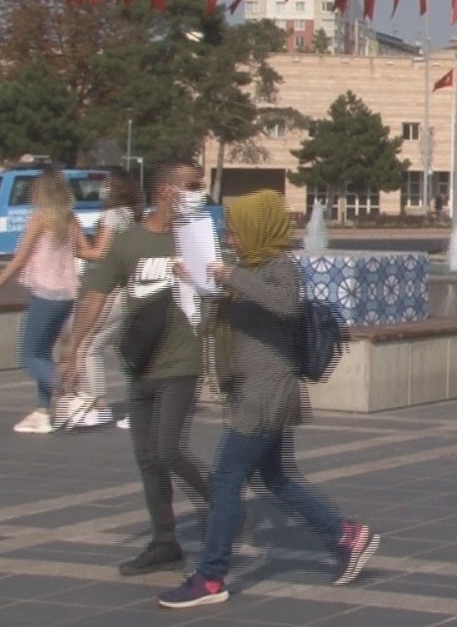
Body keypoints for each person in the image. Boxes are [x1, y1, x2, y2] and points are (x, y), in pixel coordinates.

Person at [157, 190, 379, 609]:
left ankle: (210, 577)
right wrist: (200, 285)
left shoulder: (280, 267)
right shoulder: (246, 268)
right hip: (248, 389)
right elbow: (215, 321)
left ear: (259, 229)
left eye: (237, 231)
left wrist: (228, 278)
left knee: (225, 482)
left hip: (265, 393)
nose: (232, 239)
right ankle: (346, 535)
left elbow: (287, 306)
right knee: (273, 478)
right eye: (229, 232)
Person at [62, 162, 211, 577]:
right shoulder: (128, 242)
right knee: (147, 457)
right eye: (193, 186)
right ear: (166, 191)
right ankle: (165, 541)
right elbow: (94, 295)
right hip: (141, 362)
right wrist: (74, 352)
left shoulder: (198, 238)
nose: (201, 193)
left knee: (168, 449)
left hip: (183, 361)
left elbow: (221, 289)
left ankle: (220, 503)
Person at [0, 166, 88, 434]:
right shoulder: (70, 219)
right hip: (67, 294)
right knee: (43, 355)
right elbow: (85, 250)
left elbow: (20, 258)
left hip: (45, 293)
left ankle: (69, 394)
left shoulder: (40, 219)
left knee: (28, 356)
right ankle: (42, 411)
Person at [61, 168, 144, 429]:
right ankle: (109, 404)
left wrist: (76, 247)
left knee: (89, 345)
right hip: (131, 287)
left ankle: (97, 405)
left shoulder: (111, 215)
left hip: (112, 288)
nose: (103, 189)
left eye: (108, 185)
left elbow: (101, 253)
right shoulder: (134, 215)